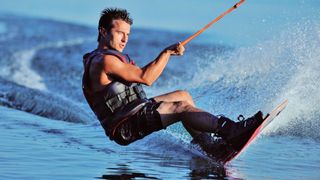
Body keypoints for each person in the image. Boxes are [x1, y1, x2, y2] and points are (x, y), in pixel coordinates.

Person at [82, 8, 264, 152]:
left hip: (136, 110)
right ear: (103, 32)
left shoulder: (108, 58)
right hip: (125, 126)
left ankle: (207, 145)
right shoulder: (103, 61)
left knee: (183, 96)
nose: (125, 39)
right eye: (120, 33)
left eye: (128, 34)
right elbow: (146, 78)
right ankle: (231, 131)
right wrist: (167, 53)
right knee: (181, 109)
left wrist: (167, 54)